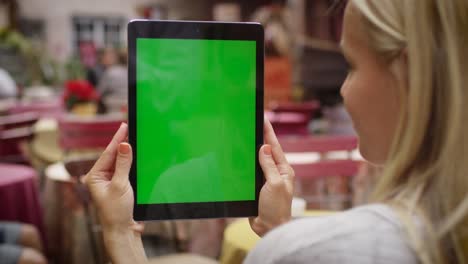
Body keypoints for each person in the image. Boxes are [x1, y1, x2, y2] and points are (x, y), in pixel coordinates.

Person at [83, 0, 468, 263]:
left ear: (407, 75)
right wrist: (278, 231)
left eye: (351, 65)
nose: (343, 89)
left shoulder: (329, 249)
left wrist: (121, 236)